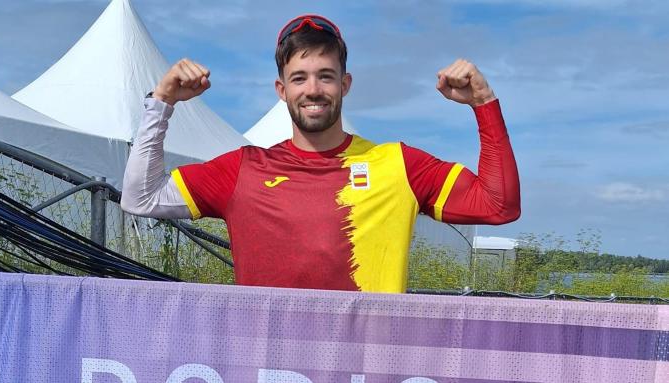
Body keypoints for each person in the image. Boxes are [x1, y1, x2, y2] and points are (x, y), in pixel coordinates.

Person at [121, 14, 520, 293]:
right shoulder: (243, 169)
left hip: (367, 376)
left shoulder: (398, 165)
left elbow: (498, 205)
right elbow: (140, 198)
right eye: (299, 78)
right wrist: (162, 102)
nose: (313, 89)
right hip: (269, 375)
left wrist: (483, 103)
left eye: (325, 76)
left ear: (345, 85)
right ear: (282, 91)